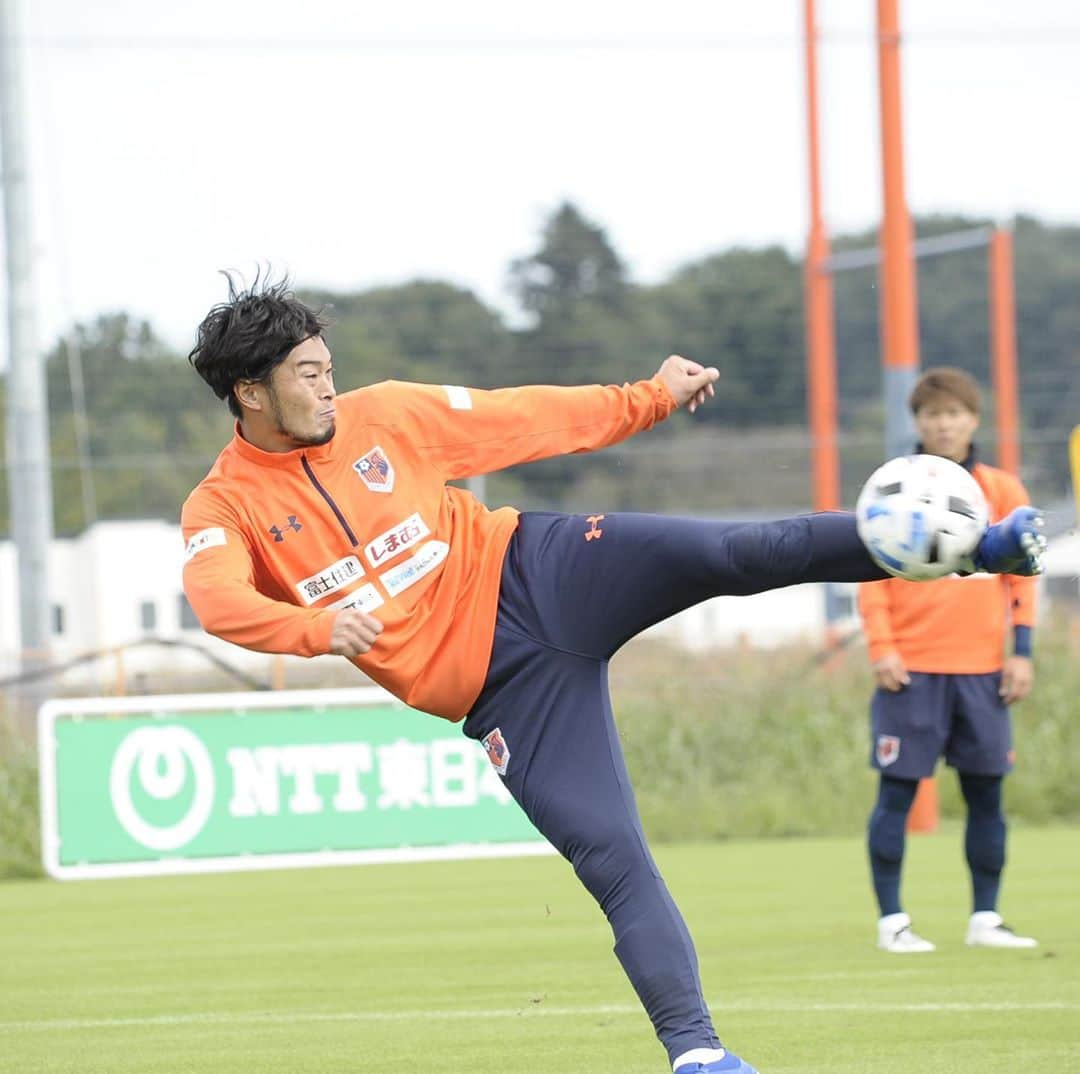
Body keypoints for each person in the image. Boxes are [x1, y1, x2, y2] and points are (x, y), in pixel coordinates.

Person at [182, 278, 1044, 1074]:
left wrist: (650, 398)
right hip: (503, 693)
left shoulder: (391, 415)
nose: (330, 388)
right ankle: (702, 1056)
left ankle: (980, 546)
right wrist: (314, 626)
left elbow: (525, 417)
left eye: (331, 369)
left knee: (736, 550)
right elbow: (217, 602)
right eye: (308, 375)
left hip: (540, 570)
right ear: (251, 392)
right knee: (613, 858)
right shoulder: (224, 505)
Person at [858, 367, 1040, 955]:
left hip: (984, 671)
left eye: (954, 413)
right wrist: (882, 647)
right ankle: (893, 922)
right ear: (918, 422)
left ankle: (985, 917)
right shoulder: (892, 486)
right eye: (932, 414)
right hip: (912, 669)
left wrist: (1022, 653)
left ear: (973, 419)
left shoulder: (1002, 489)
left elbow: (1023, 576)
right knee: (897, 793)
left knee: (987, 795)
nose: (944, 424)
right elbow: (869, 577)